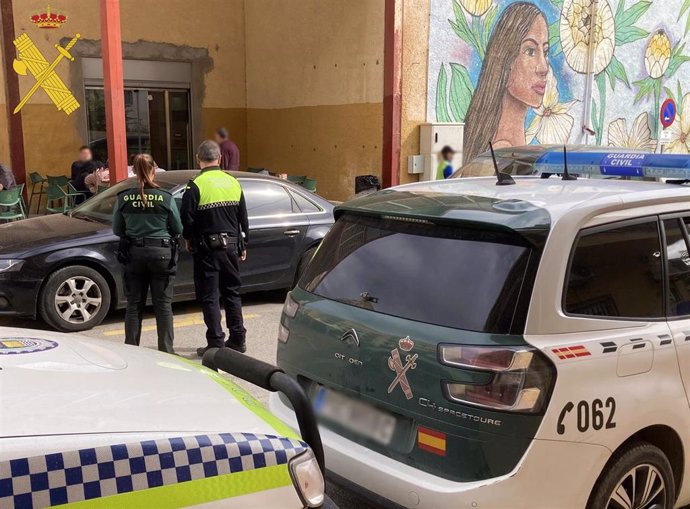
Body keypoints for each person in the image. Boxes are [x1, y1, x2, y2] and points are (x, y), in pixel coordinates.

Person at [181, 140, 249, 357]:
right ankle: (238, 339)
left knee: (210, 296)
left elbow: (187, 219)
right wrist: (243, 243)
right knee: (232, 293)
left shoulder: (195, 185)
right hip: (230, 247)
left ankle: (215, 343)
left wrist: (189, 239)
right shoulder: (233, 182)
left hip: (207, 249)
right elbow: (243, 217)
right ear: (219, 159)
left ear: (198, 159)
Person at [112, 154, 183, 354]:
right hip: (161, 254)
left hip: (134, 254)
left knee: (134, 306)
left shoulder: (123, 197)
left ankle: (132, 351)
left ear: (134, 171)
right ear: (153, 170)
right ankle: (166, 351)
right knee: (163, 306)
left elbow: (117, 229)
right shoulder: (166, 198)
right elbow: (177, 228)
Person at [463, 2, 548, 165]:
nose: (543, 68)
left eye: (545, 52)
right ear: (504, 59)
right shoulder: (502, 154)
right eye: (530, 51)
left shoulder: (510, 147)